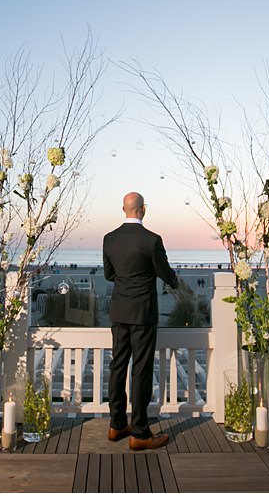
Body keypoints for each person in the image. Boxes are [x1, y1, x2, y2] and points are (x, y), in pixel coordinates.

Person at [103, 192, 178, 450]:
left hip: (119, 310)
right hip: (143, 313)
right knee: (141, 370)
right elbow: (166, 273)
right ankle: (140, 432)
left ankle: (116, 425)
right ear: (143, 209)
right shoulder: (151, 240)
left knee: (118, 365)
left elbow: (109, 274)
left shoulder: (109, 239)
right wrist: (176, 282)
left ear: (123, 209)